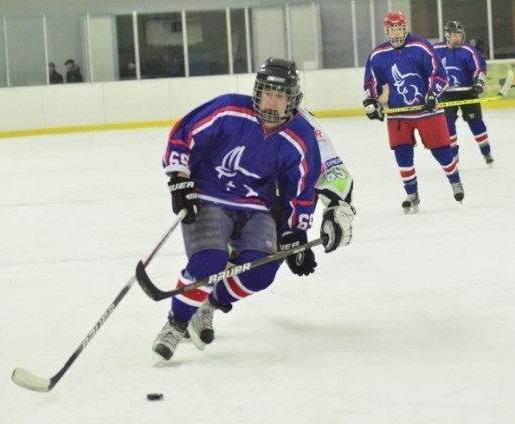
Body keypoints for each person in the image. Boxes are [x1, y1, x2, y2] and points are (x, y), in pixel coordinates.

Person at [151, 57, 354, 361]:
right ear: (257, 91)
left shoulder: (302, 134)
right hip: (209, 196)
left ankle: (207, 304)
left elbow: (300, 188)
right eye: (267, 92)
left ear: (293, 99)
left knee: (261, 273)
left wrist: (295, 231)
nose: (272, 101)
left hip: (256, 207)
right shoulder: (229, 108)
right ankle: (176, 322)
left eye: (281, 94)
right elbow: (184, 134)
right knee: (210, 261)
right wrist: (179, 181)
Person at [363, 12, 464, 214]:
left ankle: (455, 181)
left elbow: (439, 75)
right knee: (402, 154)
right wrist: (371, 102)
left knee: (442, 151)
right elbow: (371, 83)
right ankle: (412, 194)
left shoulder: (420, 46)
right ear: (386, 31)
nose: (396, 32)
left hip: (428, 111)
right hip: (399, 114)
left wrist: (433, 95)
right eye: (391, 29)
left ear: (405, 27)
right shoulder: (378, 54)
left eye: (399, 28)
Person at [434, 20, 494, 166]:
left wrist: (478, 82)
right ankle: (453, 155)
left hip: (468, 92)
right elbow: (426, 67)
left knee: (476, 123)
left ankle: (486, 152)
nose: (458, 38)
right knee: (448, 125)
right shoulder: (435, 49)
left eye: (459, 35)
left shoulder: (468, 50)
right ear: (447, 35)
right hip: (446, 94)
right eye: (454, 35)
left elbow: (480, 67)